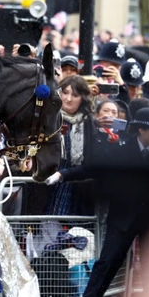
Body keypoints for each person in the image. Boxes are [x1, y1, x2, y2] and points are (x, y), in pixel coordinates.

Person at [48, 108, 149, 297]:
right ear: (141, 129)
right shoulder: (122, 150)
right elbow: (95, 168)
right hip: (124, 217)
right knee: (106, 264)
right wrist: (63, 175)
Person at [46, 75, 96, 216]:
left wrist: (65, 175)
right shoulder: (49, 117)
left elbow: (91, 160)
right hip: (48, 184)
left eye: (75, 95)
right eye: (65, 93)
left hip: (76, 185)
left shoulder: (88, 122)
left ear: (83, 99)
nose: (68, 99)